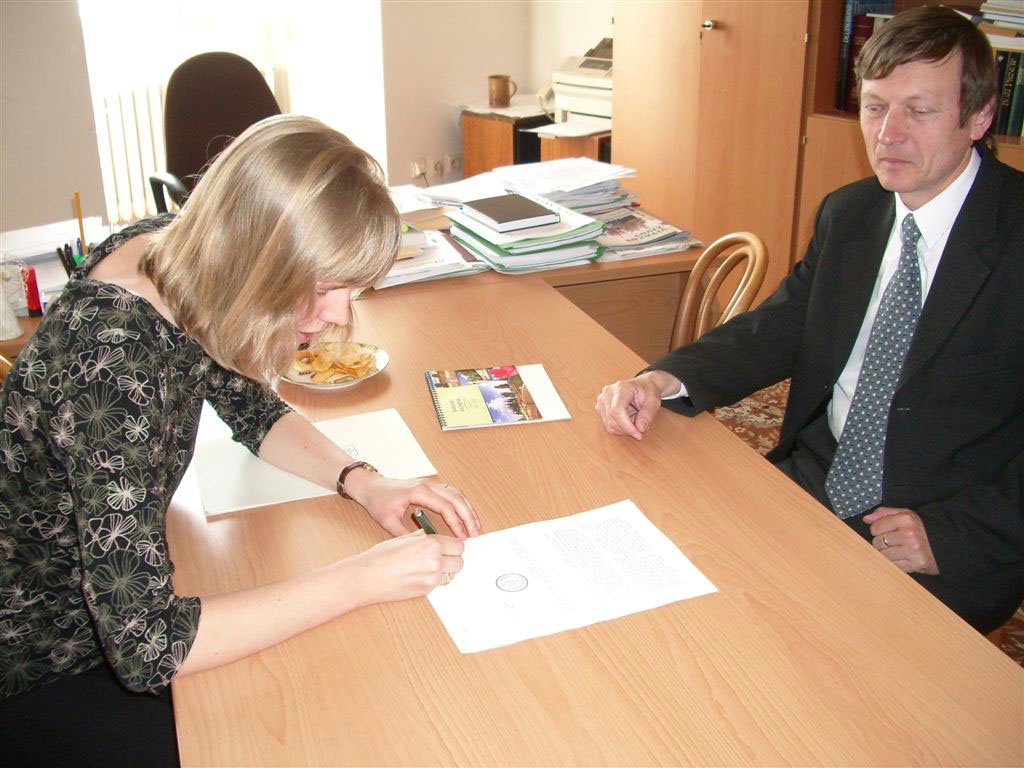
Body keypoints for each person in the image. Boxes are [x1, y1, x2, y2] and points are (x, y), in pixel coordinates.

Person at [0, 115, 480, 765]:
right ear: (257, 257)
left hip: (102, 603)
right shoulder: (113, 366)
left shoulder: (171, 252)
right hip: (43, 654)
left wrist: (365, 482)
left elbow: (247, 404)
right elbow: (148, 649)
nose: (340, 313)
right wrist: (358, 578)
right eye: (325, 287)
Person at [595, 6, 1023, 636]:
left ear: (980, 116)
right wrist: (665, 381)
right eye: (875, 108)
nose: (888, 135)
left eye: (920, 110)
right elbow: (783, 325)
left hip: (941, 528)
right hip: (814, 480)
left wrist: (957, 533)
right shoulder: (850, 214)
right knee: (669, 593)